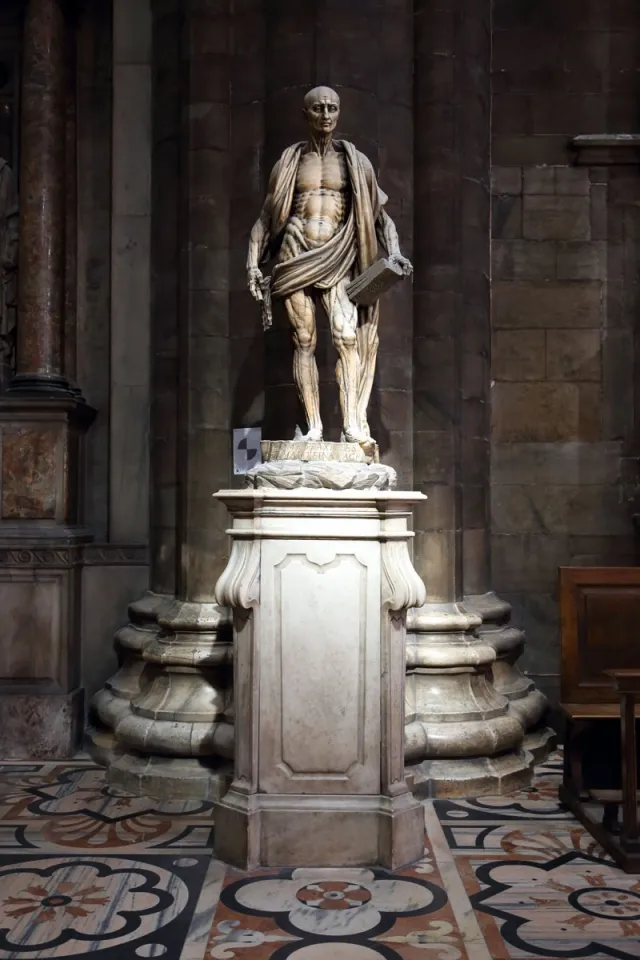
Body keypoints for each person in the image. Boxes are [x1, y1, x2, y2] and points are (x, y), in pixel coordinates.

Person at [247, 86, 412, 447]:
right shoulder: (289, 163)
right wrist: (252, 263)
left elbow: (380, 218)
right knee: (303, 340)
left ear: (339, 114)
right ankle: (313, 428)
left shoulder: (355, 162)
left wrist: (395, 252)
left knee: (347, 338)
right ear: (306, 114)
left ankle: (353, 424)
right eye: (319, 108)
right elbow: (265, 217)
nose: (326, 115)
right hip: (295, 254)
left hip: (339, 255)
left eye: (332, 108)